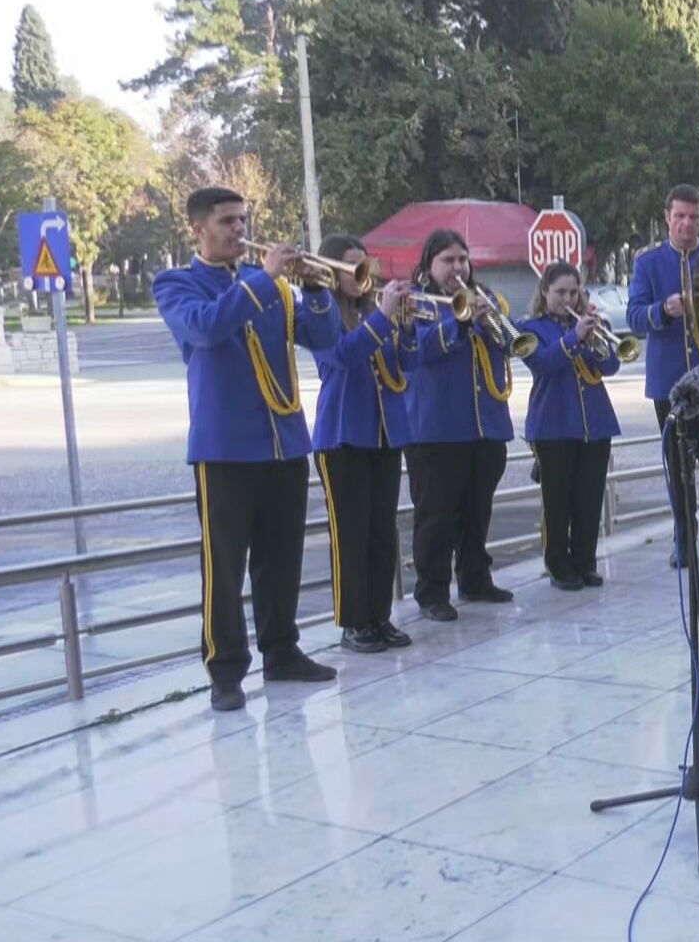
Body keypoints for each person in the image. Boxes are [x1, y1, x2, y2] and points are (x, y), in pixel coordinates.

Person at [153, 187, 342, 711]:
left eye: (242, 219)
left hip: (283, 442)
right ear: (198, 230)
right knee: (224, 567)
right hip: (225, 448)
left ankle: (282, 651)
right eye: (227, 221)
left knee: (281, 560)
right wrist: (267, 277)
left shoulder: (269, 289)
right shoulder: (177, 283)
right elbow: (206, 329)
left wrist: (317, 291)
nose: (240, 229)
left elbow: (323, 338)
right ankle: (226, 671)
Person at [626, 184, 699, 564]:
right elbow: (634, 318)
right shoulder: (648, 263)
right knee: (679, 470)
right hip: (670, 384)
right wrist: (662, 310)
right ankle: (684, 542)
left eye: (694, 217)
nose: (687, 224)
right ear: (667, 217)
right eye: (679, 216)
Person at [310, 234, 415, 654]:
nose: (362, 274)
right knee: (350, 534)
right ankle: (353, 622)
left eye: (365, 265)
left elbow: (409, 363)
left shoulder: (375, 312)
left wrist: (405, 328)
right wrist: (385, 318)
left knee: (382, 532)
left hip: (385, 432)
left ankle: (379, 615)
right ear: (331, 271)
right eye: (352, 266)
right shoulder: (322, 313)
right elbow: (342, 356)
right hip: (342, 433)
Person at [404, 229, 517, 621]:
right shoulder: (418, 304)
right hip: (435, 428)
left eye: (462, 259)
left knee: (477, 509)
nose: (457, 268)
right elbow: (417, 352)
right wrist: (461, 324)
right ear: (429, 265)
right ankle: (432, 591)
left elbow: (510, 345)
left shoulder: (484, 298)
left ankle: (475, 577)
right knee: (435, 516)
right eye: (447, 260)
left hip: (484, 426)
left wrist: (491, 320)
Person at [519, 263, 622, 591]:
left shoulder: (592, 323)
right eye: (560, 292)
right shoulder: (530, 328)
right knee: (557, 501)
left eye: (573, 292)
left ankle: (585, 562)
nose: (567, 298)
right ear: (544, 292)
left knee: (589, 499)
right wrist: (574, 338)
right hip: (553, 423)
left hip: (595, 422)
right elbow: (544, 364)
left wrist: (596, 338)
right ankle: (558, 566)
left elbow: (611, 365)